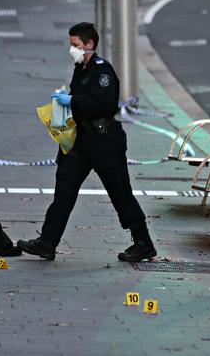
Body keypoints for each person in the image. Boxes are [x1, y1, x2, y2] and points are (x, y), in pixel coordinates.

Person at [17, 22, 157, 263]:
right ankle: (48, 242)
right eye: (71, 45)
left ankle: (143, 243)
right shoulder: (80, 67)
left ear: (89, 44)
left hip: (105, 142)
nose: (72, 49)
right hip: (81, 142)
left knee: (120, 193)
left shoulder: (102, 72)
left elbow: (105, 105)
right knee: (64, 191)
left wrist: (72, 100)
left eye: (76, 45)